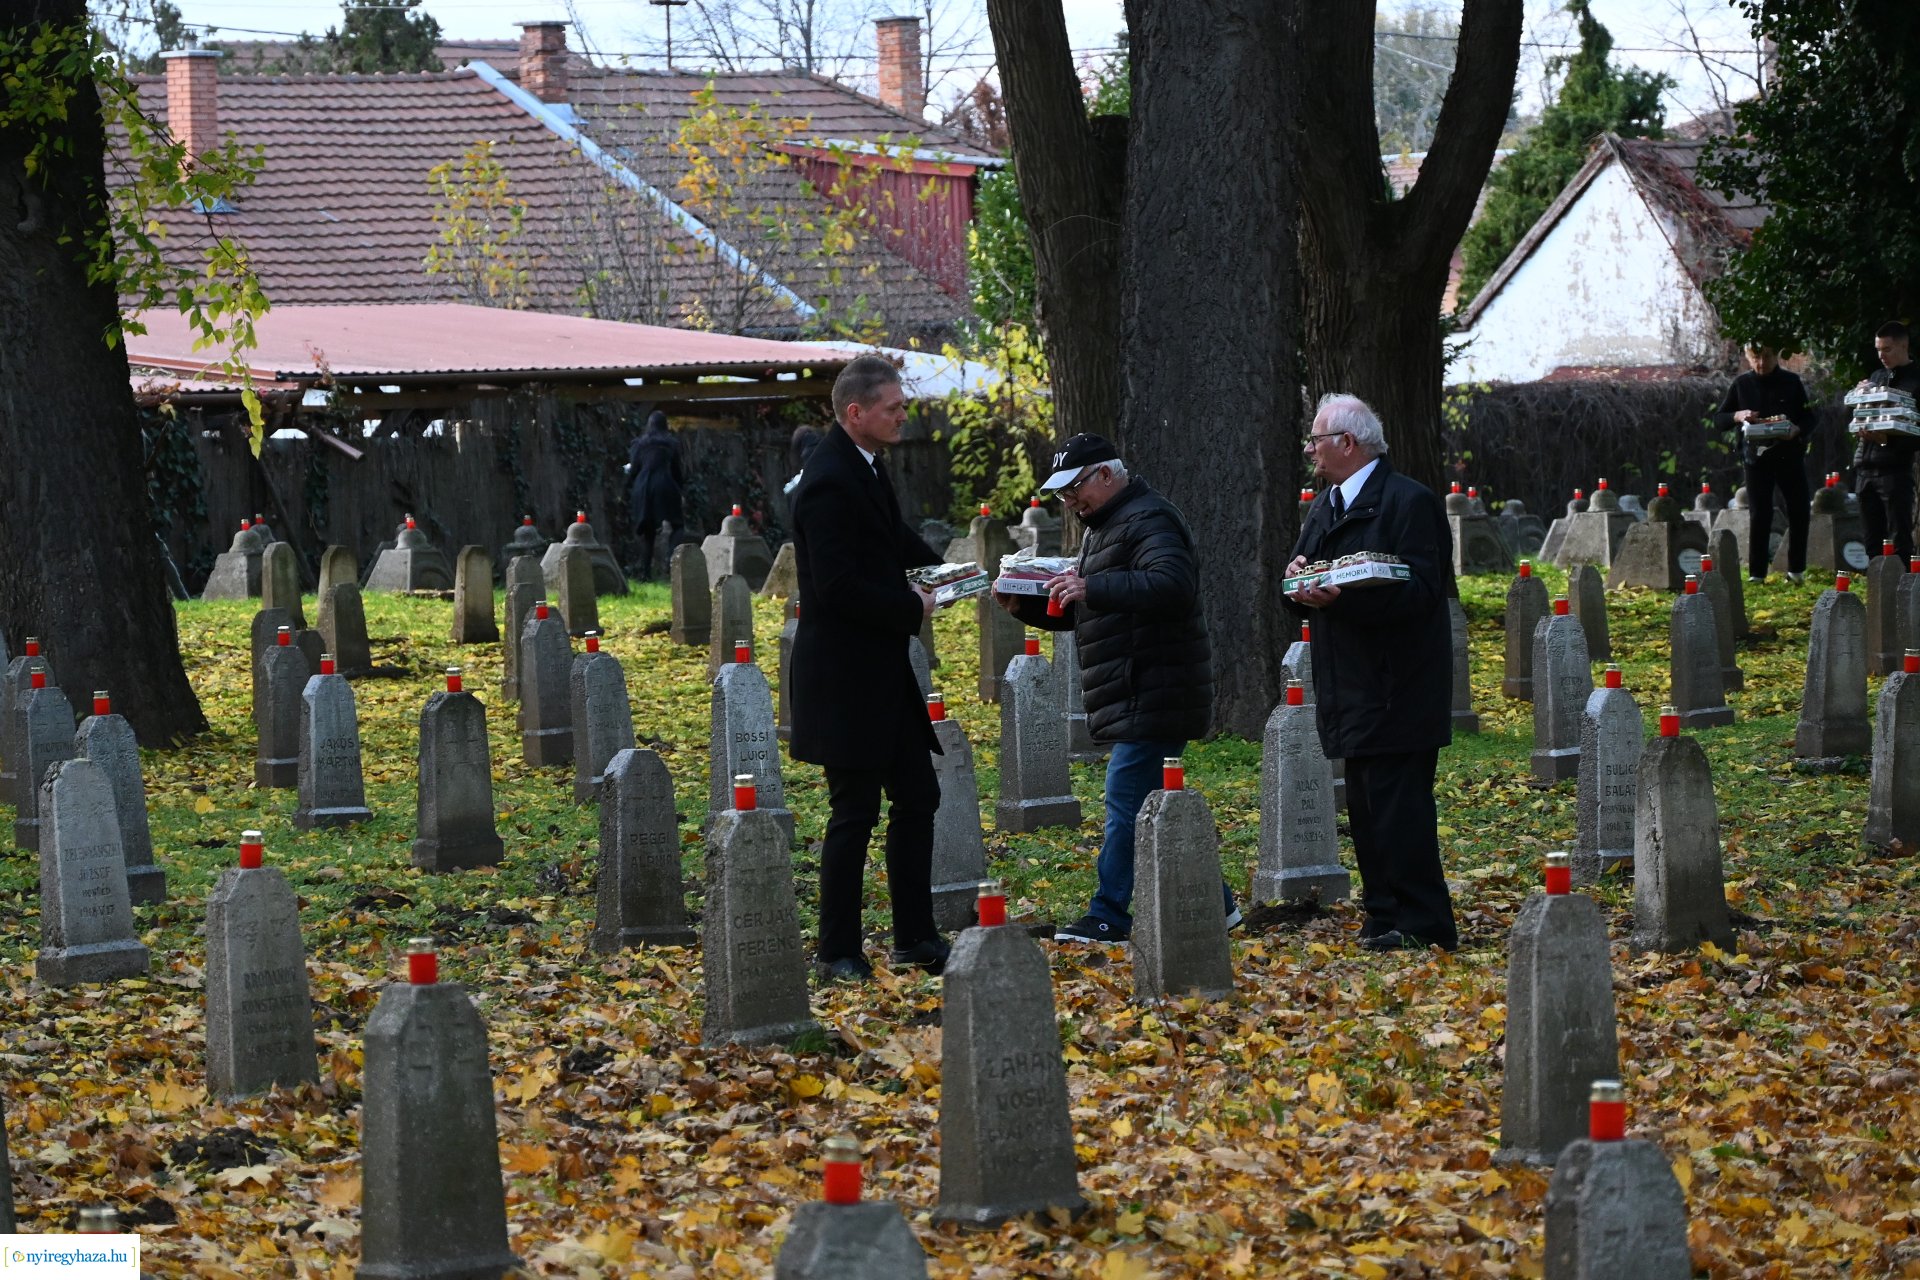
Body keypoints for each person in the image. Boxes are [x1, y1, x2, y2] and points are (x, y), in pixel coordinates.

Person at [993, 433, 1237, 945]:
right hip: (1137, 686)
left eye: (1074, 488)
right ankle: (1218, 905)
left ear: (1106, 474)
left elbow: (1172, 584)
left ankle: (1110, 914)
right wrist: (1026, 606)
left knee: (1125, 799)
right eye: (1062, 493)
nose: (1070, 501)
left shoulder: (1150, 518)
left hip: (1156, 686)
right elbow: (1098, 611)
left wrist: (1091, 586)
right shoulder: (1106, 526)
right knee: (1144, 802)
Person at [788, 355, 948, 981]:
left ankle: (914, 938)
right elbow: (837, 588)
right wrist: (911, 606)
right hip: (844, 678)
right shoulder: (828, 480)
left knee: (918, 795)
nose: (904, 414)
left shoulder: (866, 465)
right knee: (854, 811)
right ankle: (837, 952)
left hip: (882, 674)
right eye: (893, 407)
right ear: (856, 413)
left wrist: (951, 575)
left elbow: (892, 538)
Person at [1286, 393, 1457, 952]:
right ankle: (1384, 916)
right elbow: (1303, 579)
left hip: (1399, 683)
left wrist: (1346, 599)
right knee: (1364, 809)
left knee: (1399, 809)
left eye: (1316, 440)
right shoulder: (1326, 505)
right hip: (1347, 680)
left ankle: (1424, 923)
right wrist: (1298, 583)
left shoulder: (1410, 502)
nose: (1309, 450)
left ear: (1347, 442)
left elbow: (1424, 591)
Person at [1713, 344, 1817, 582]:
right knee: (1760, 513)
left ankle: (1796, 570)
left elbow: (1810, 417)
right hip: (1756, 458)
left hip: (1789, 455)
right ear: (1748, 358)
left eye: (1767, 357)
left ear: (1776, 355)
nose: (1761, 363)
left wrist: (1797, 429)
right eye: (1756, 358)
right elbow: (1719, 420)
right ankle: (1757, 574)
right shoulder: (1741, 384)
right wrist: (1738, 415)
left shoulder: (1791, 382)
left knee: (1799, 509)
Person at [1853, 321, 1920, 564]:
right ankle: (1875, 587)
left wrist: (1887, 441)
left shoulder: (1916, 380)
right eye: (1878, 350)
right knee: (1872, 543)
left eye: (1887, 349)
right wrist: (1861, 395)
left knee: (1900, 541)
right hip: (1865, 468)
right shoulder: (1876, 377)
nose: (1881, 356)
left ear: (1904, 346)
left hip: (1895, 471)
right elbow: (1856, 416)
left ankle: (1904, 587)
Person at [626, 410, 686, 581]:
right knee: (678, 525)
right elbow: (677, 471)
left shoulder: (639, 444)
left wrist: (627, 488)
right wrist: (680, 491)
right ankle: (671, 559)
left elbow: (633, 469)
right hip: (665, 484)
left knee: (648, 531)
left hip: (644, 486)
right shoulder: (671, 444)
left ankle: (645, 573)